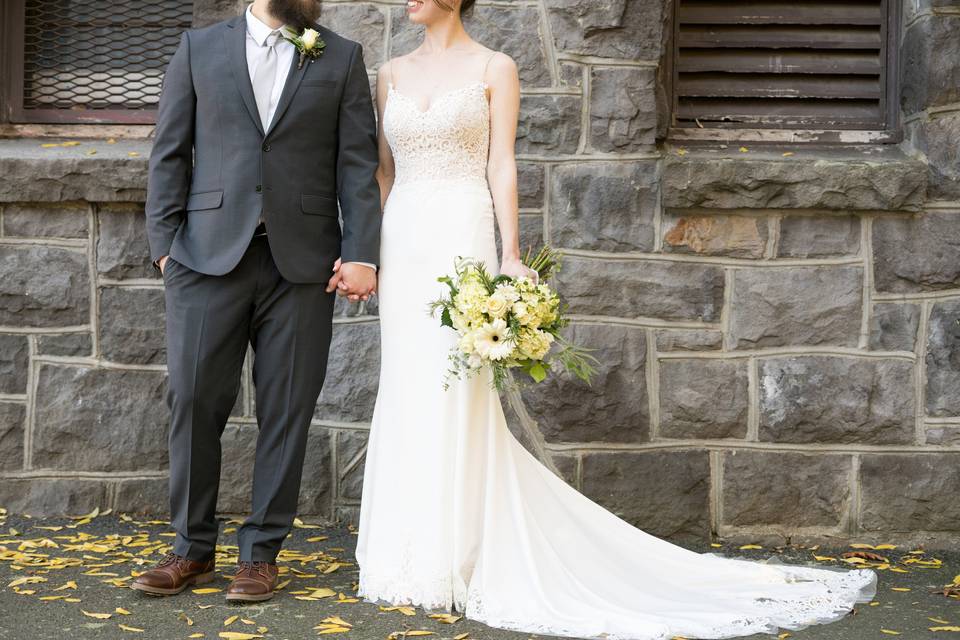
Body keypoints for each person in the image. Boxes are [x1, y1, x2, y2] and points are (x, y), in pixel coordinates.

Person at [353, 1, 877, 638]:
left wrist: (511, 256)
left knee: (459, 388)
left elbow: (500, 164)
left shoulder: (495, 65)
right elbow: (382, 172)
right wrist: (368, 252)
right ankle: (405, 554)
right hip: (404, 240)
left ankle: (459, 551)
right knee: (408, 385)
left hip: (463, 234)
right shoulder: (388, 73)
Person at [134, 0, 380, 602]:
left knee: (287, 408)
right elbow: (170, 150)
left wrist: (362, 253)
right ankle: (191, 550)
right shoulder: (199, 50)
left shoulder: (342, 57)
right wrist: (164, 246)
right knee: (193, 401)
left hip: (303, 263)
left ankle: (261, 553)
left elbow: (357, 163)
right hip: (204, 257)